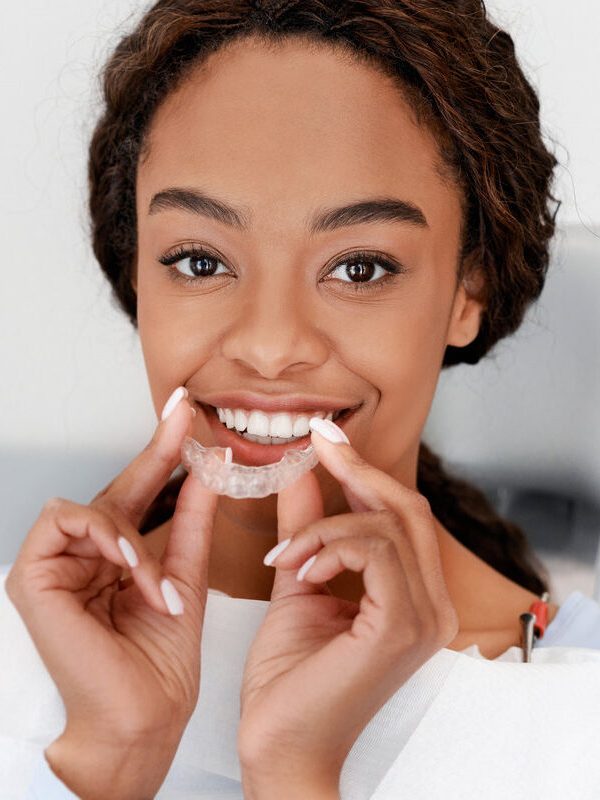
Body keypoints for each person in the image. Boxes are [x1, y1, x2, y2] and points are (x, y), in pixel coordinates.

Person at [2, 1, 600, 798]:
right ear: (136, 271)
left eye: (359, 267)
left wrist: (295, 773)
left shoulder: (573, 712)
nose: (271, 343)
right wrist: (109, 759)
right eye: (199, 260)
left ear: (469, 289)